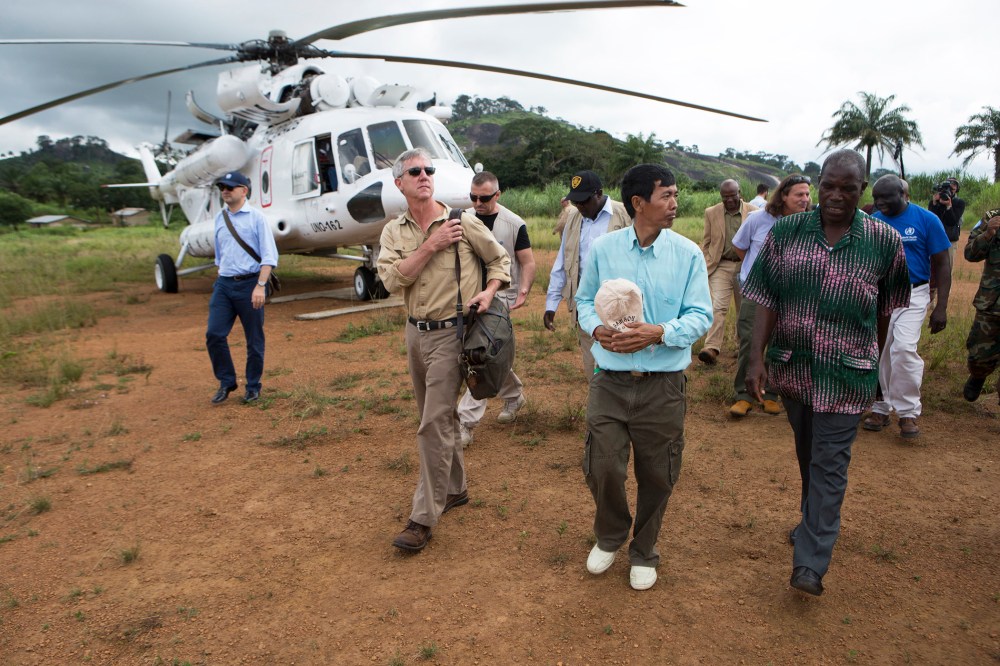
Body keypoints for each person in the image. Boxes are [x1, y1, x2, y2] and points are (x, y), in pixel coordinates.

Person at [743, 150, 910, 596]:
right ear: (818, 184)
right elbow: (765, 296)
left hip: (847, 373)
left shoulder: (883, 241)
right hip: (794, 368)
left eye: (848, 188)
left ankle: (811, 563)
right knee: (807, 455)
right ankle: (810, 520)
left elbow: (885, 310)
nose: (837, 196)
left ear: (863, 188)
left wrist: (872, 362)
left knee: (830, 463)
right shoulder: (787, 232)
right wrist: (756, 358)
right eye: (829, 186)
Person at [576, 163, 712, 591]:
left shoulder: (687, 254)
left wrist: (660, 332)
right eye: (666, 195)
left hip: (663, 386)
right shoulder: (604, 249)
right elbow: (583, 301)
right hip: (610, 380)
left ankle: (644, 550)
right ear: (639, 203)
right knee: (603, 466)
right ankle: (611, 534)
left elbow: (700, 315)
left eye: (675, 195)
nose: (675, 203)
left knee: (658, 472)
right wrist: (596, 328)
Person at [377, 148, 511, 552]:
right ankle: (455, 488)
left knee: (433, 422)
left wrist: (488, 293)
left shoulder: (462, 221)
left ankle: (423, 516)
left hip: (455, 335)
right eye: (414, 171)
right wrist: (431, 246)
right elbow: (390, 281)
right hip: (415, 334)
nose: (424, 175)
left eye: (428, 170)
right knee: (434, 416)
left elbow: (499, 261)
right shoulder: (393, 231)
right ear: (399, 182)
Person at [863, 175, 951, 438]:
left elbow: (943, 264)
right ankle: (880, 407)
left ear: (903, 194)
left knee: (902, 348)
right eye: (876, 198)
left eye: (885, 197)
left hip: (914, 294)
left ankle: (908, 412)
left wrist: (941, 307)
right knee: (879, 349)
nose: (879, 203)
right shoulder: (875, 222)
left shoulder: (927, 220)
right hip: (881, 294)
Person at [457, 171, 536, 447]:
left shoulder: (514, 224)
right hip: (466, 299)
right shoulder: (462, 219)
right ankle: (514, 395)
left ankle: (465, 422)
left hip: (498, 299)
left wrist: (523, 290)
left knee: (479, 355)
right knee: (493, 354)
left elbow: (526, 262)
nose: (478, 203)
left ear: (497, 195)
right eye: (473, 197)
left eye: (485, 198)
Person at [729, 174, 812, 417]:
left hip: (790, 295)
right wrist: (758, 273)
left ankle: (771, 394)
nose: (805, 199)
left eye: (807, 194)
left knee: (780, 343)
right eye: (799, 194)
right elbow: (740, 246)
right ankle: (744, 395)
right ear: (783, 195)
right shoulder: (758, 219)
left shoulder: (806, 222)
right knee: (750, 341)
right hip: (757, 293)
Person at [544, 170, 632, 376]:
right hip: (585, 301)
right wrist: (551, 304)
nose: (580, 207)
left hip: (618, 302)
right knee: (591, 362)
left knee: (619, 359)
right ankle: (598, 403)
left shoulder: (625, 214)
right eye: (576, 202)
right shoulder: (574, 218)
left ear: (599, 194)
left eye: (584, 201)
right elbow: (562, 262)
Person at [205, 171, 278, 405]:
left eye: (230, 187)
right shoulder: (220, 218)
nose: (225, 191)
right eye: (222, 187)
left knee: (254, 340)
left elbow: (269, 256)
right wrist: (222, 278)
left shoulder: (256, 218)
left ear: (244, 191)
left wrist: (260, 286)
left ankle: (253, 386)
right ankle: (226, 381)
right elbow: (220, 255)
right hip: (224, 284)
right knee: (214, 334)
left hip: (250, 284)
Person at [698, 179, 758, 364]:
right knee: (718, 306)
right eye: (725, 197)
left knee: (743, 310)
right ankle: (711, 348)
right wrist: (702, 262)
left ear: (739, 192)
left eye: (732, 196)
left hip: (745, 265)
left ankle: (743, 348)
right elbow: (706, 241)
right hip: (721, 265)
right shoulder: (711, 212)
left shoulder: (754, 212)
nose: (729, 200)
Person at [962, 210, 1000, 404]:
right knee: (979, 357)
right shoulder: (991, 217)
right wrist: (987, 234)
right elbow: (969, 253)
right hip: (991, 304)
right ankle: (978, 375)